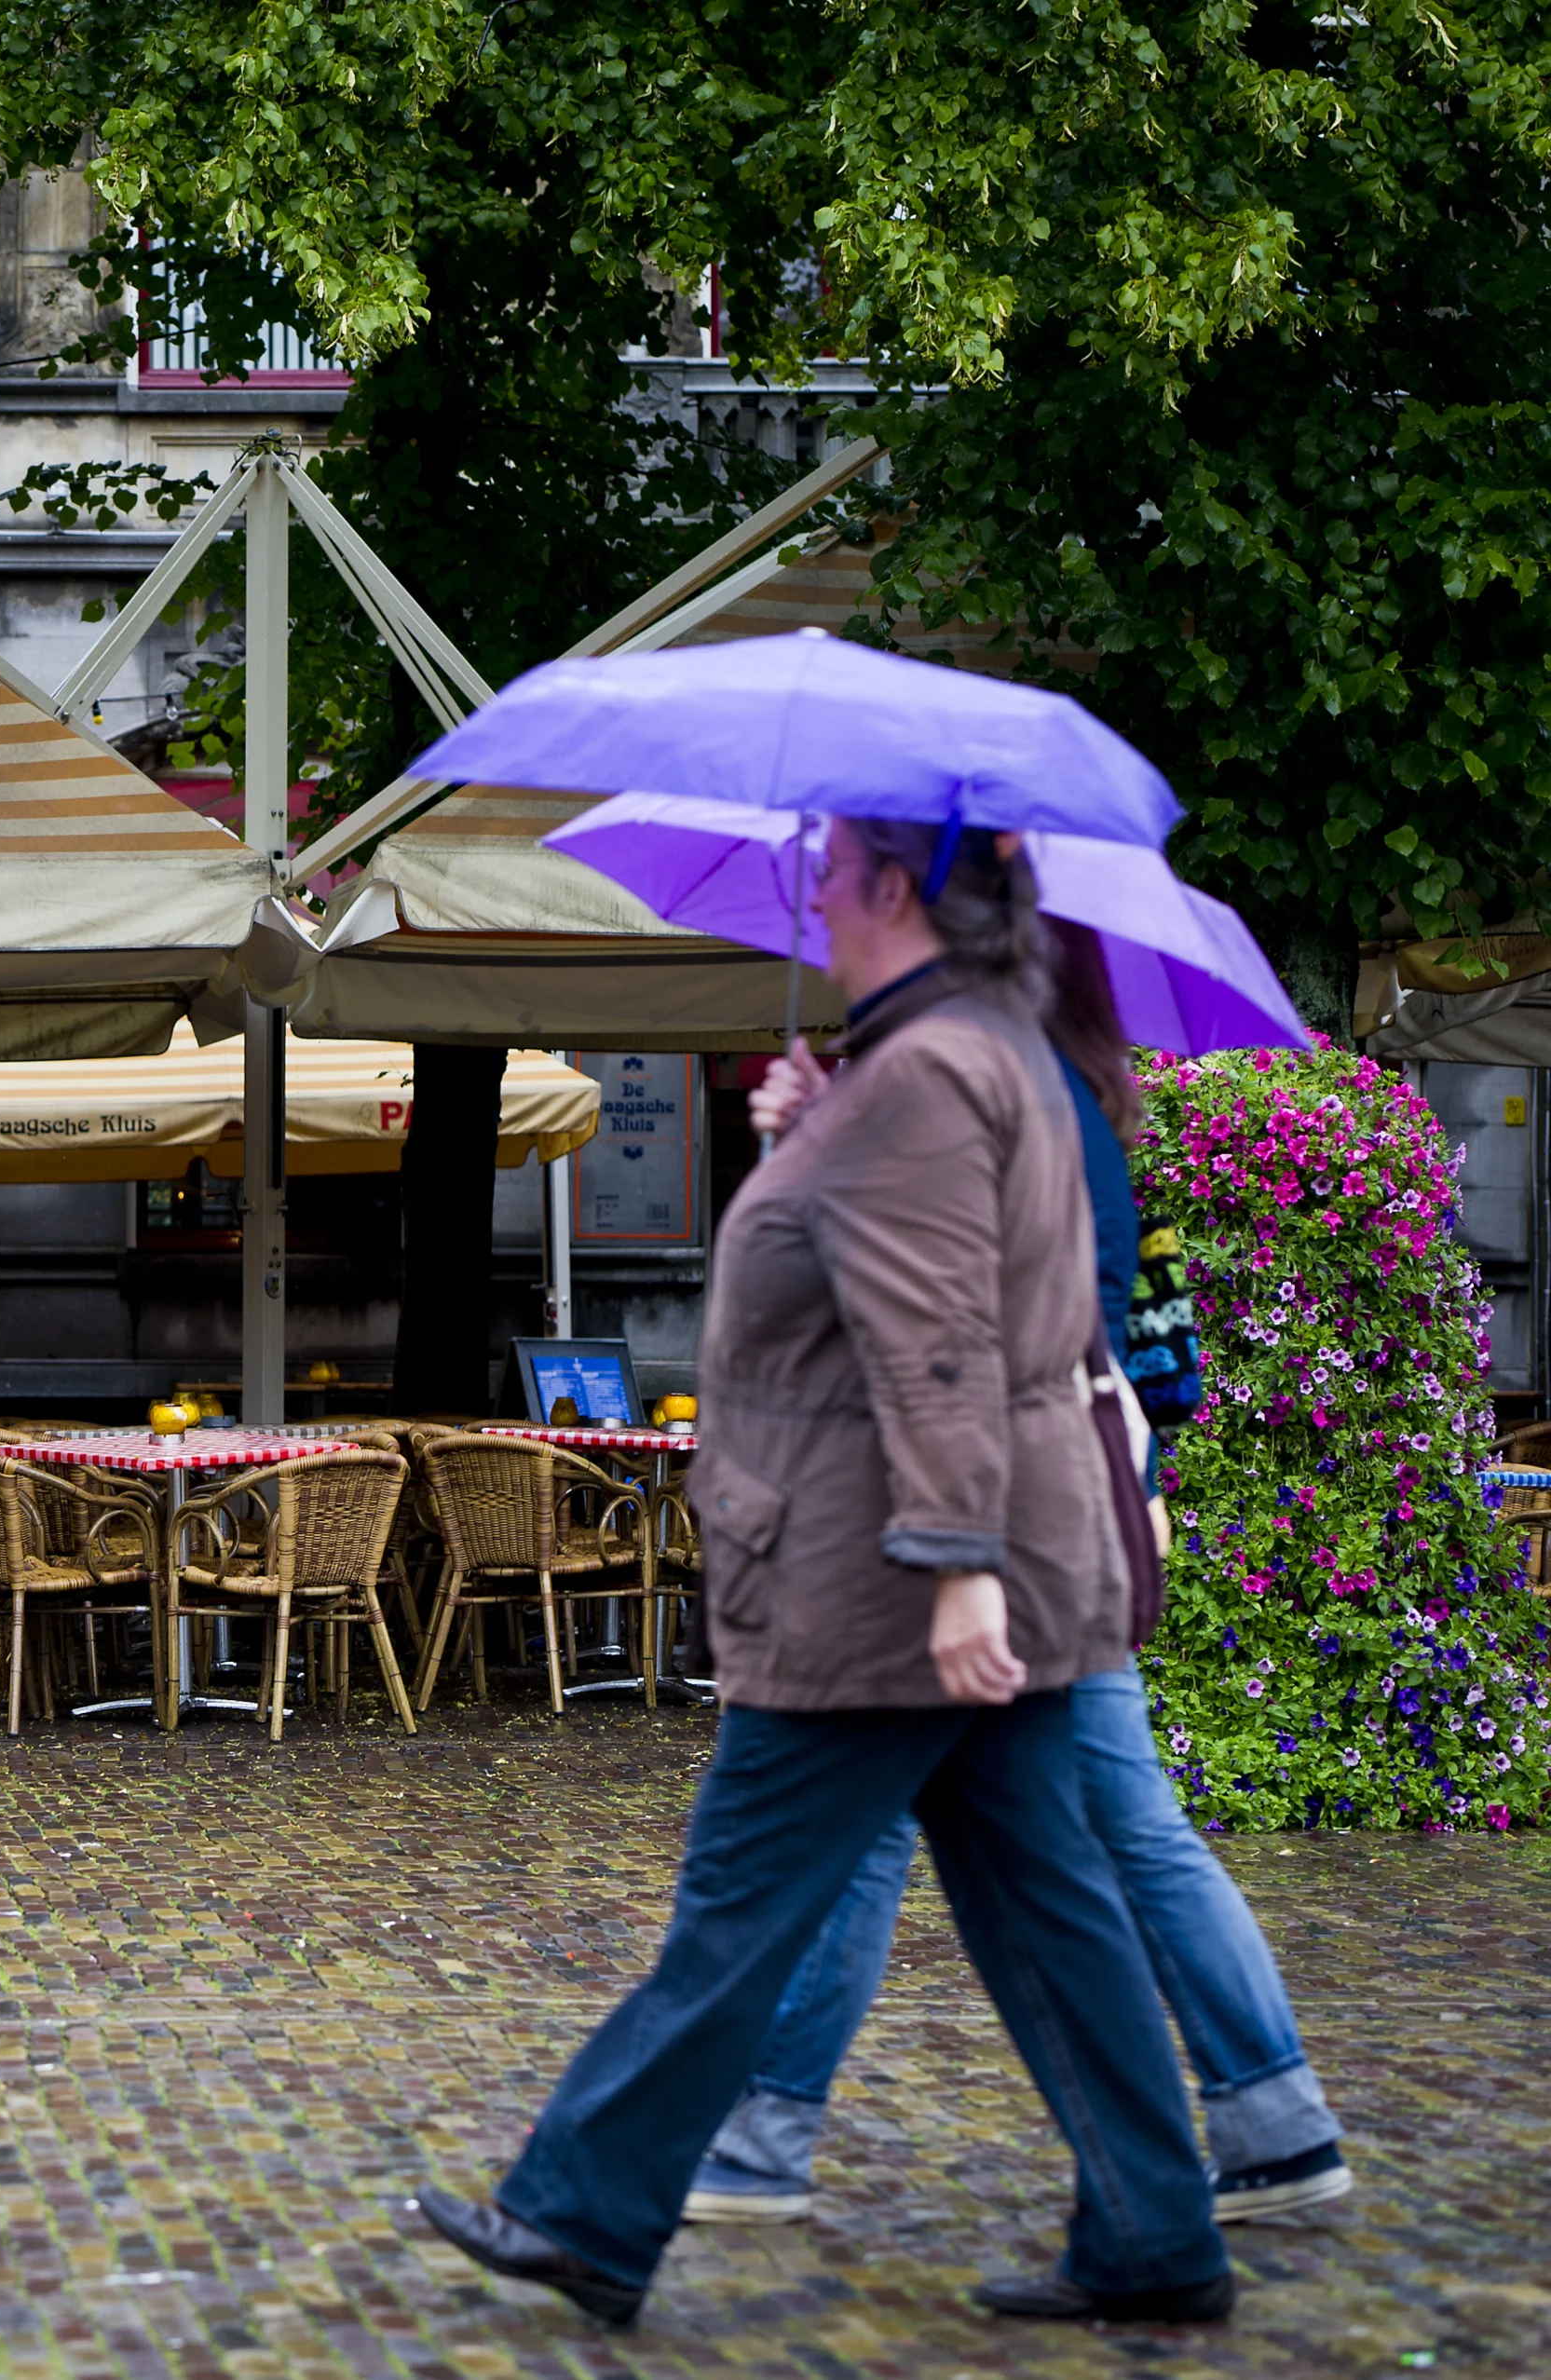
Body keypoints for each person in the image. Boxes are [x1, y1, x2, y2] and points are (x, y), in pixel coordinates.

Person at [412, 817, 1233, 2328]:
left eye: (837, 865)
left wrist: (956, 1565)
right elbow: (920, 1280)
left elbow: (932, 1338)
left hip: (886, 1579)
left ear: (901, 891)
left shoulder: (927, 1073)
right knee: (1049, 1902)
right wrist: (812, 1138)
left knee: (745, 1897)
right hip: (949, 1561)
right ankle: (1154, 2227)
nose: (813, 888)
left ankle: (582, 2209)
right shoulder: (966, 1051)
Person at [682, 917, 1352, 2229]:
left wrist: (959, 1556)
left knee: (1008, 1830)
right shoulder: (1030, 1085)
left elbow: (993, 1317)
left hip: (1000, 1534)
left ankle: (763, 2133)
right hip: (1016, 1532)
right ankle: (1259, 2124)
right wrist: (829, 1135)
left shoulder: (1015, 1094)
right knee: (1071, 1829)